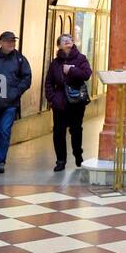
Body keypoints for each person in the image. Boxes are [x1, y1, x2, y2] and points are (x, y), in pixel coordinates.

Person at [0, 31, 33, 175]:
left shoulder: (20, 59)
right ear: (1, 42)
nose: (12, 44)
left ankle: (0, 161)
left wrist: (16, 92)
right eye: (8, 41)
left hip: (11, 104)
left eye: (13, 41)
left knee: (4, 130)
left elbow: (27, 78)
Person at [45, 33, 92, 172]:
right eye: (64, 40)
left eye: (69, 40)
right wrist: (52, 98)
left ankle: (78, 154)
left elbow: (86, 74)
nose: (67, 42)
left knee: (76, 130)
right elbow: (48, 82)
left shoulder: (81, 58)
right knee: (58, 132)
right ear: (59, 45)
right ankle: (60, 160)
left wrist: (71, 69)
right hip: (59, 102)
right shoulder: (55, 63)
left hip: (76, 101)